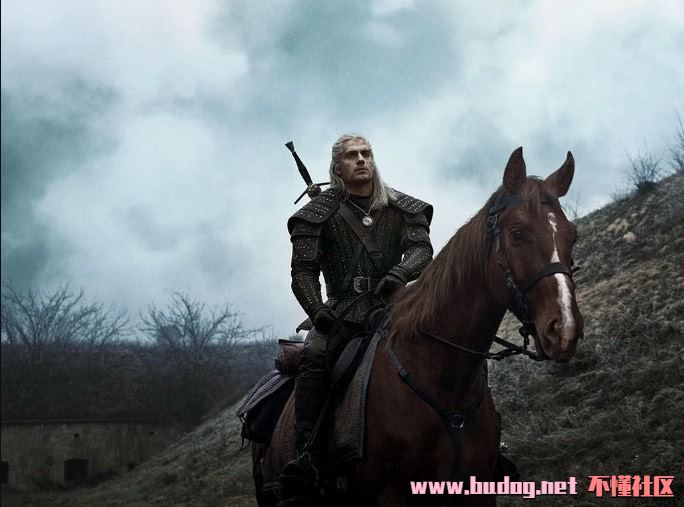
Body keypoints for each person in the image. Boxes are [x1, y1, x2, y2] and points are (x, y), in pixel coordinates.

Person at [281, 133, 434, 499]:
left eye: (366, 153)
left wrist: (400, 273)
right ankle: (308, 455)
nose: (362, 160)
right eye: (352, 155)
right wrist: (317, 310)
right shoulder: (316, 214)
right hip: (342, 311)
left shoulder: (401, 206)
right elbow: (302, 272)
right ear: (337, 167)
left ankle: (479, 441)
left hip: (396, 306)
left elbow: (421, 249)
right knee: (315, 356)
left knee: (446, 341)